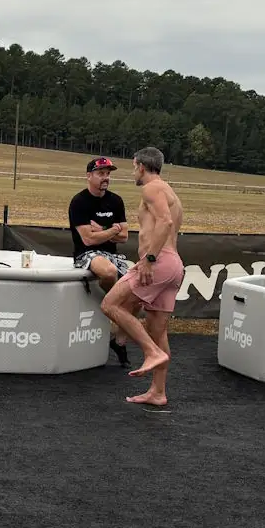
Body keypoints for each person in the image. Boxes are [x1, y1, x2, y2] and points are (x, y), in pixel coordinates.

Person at [99, 146, 185, 407]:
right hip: (173, 265)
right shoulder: (171, 192)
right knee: (158, 332)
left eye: (133, 167)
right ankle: (158, 392)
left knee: (110, 304)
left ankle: (150, 352)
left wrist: (148, 260)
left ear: (141, 166)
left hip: (158, 262)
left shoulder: (152, 188)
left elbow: (165, 223)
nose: (133, 172)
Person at [68, 156, 132, 364]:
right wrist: (114, 229)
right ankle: (112, 306)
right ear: (89, 176)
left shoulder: (116, 201)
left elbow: (125, 237)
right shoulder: (79, 202)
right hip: (87, 254)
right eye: (101, 174)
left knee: (138, 289)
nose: (106, 178)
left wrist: (104, 230)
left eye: (108, 174)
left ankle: (119, 341)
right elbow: (87, 239)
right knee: (109, 272)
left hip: (112, 253)